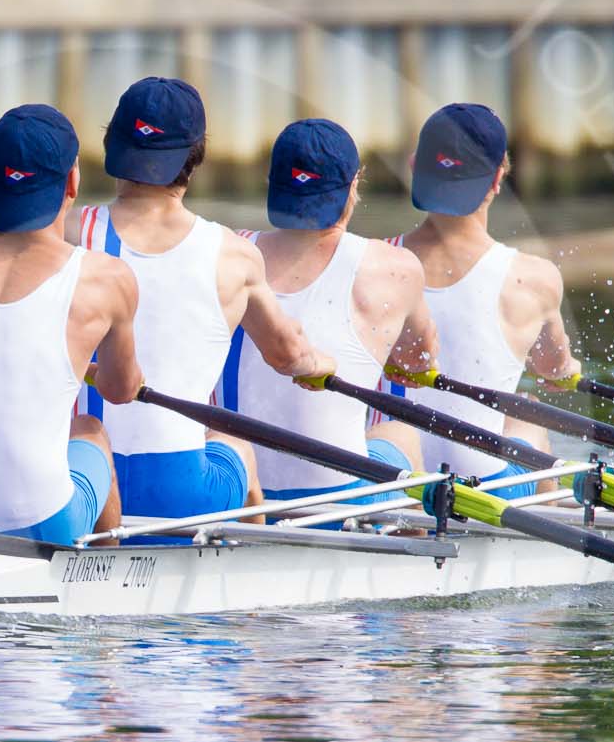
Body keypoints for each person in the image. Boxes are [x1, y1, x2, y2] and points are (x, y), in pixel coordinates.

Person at [68, 76, 334, 521]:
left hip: (85, 482)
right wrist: (321, 364)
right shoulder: (234, 256)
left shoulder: (68, 234)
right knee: (234, 442)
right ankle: (245, 559)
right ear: (196, 156)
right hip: (180, 492)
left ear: (112, 144)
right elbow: (288, 356)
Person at [0, 104, 144, 543]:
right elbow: (121, 390)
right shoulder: (107, 278)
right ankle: (107, 575)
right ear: (73, 181)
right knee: (91, 431)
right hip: (39, 525)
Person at [219, 118, 438, 506]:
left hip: (242, 496)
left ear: (273, 184)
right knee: (398, 434)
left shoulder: (228, 254)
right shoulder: (395, 268)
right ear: (354, 185)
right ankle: (412, 554)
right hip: (339, 501)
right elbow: (419, 361)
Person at [392, 103, 581, 498]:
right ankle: (549, 537)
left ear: (414, 166)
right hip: (484, 491)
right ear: (498, 178)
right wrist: (566, 368)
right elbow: (552, 370)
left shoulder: (373, 263)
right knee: (528, 414)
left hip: (392, 480)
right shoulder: (533, 278)